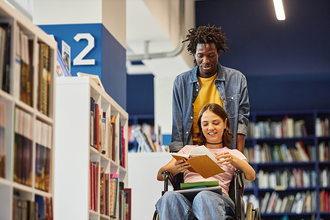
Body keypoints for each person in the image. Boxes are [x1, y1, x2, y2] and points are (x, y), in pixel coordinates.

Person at [156, 103, 255, 220]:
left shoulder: (233, 154)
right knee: (168, 196)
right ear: (201, 128)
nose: (210, 128)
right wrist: (175, 169)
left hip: (218, 200)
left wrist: (234, 161)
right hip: (186, 199)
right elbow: (160, 175)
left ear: (225, 123)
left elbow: (251, 175)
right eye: (205, 124)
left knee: (203, 196)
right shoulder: (188, 150)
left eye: (216, 123)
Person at [170, 25, 250, 153]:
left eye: (211, 55)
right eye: (200, 56)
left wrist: (239, 159)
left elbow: (241, 123)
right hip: (192, 153)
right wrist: (179, 163)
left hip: (225, 153)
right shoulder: (181, 83)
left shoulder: (236, 79)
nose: (205, 61)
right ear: (194, 54)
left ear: (218, 52)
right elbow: (177, 127)